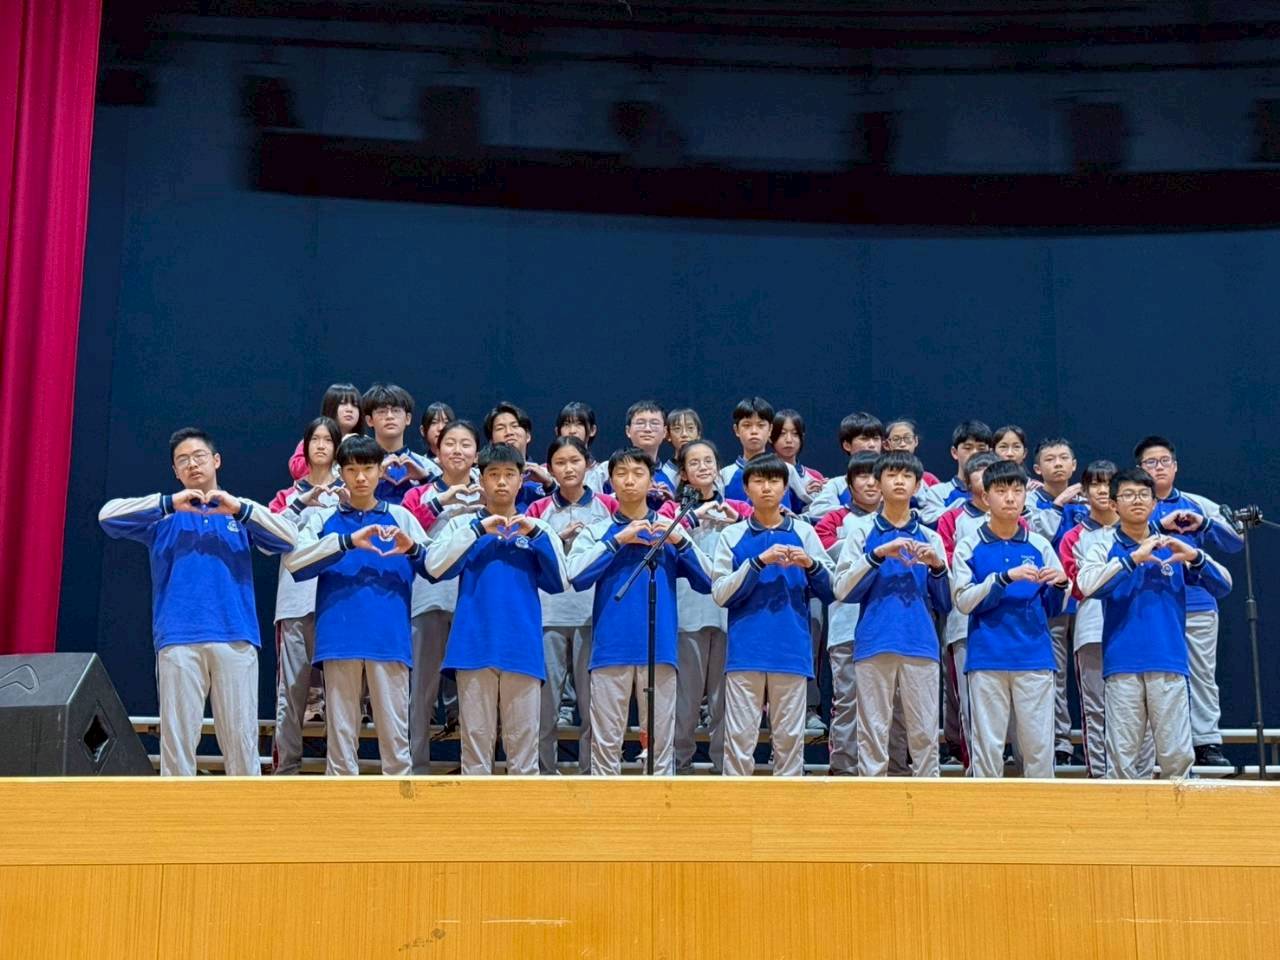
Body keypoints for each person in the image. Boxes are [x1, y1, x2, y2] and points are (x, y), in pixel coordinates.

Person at [99, 427, 296, 776]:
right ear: (175, 471)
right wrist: (168, 502)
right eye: (183, 460)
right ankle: (178, 813)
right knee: (177, 747)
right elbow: (107, 516)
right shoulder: (163, 516)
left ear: (216, 460)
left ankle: (247, 812)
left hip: (235, 637)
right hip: (178, 638)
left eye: (199, 456)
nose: (192, 464)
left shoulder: (239, 512)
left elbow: (288, 539)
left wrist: (240, 508)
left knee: (242, 743)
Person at [286, 435, 430, 776]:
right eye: (352, 470)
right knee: (340, 746)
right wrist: (347, 541)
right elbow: (296, 562)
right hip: (339, 639)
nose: (361, 477)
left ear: (380, 471)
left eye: (368, 468)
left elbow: (436, 564)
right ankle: (341, 809)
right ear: (341, 472)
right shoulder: (324, 518)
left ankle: (398, 807)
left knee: (396, 744)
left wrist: (413, 549)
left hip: (389, 639)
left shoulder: (402, 516)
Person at [1077, 467, 1232, 779]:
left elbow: (1224, 584)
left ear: (1154, 502)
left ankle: (1181, 812)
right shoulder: (1102, 544)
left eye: (1143, 494)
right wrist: (1133, 558)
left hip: (1169, 661)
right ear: (1114, 504)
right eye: (1128, 495)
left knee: (1177, 758)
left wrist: (1196, 557)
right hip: (1122, 665)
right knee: (1122, 761)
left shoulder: (1172, 546)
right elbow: (1088, 585)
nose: (1137, 500)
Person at [567, 447, 714, 776]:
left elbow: (709, 582)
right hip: (611, 649)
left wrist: (681, 542)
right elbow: (576, 576)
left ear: (651, 481)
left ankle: (660, 808)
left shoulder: (670, 529)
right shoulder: (599, 530)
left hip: (659, 650)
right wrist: (619, 540)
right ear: (610, 482)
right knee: (606, 744)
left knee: (660, 747)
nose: (629, 481)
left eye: (638, 473)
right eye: (621, 474)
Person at [426, 443, 570, 775]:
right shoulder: (464, 525)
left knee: (524, 756)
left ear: (521, 480)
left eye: (509, 474)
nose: (502, 482)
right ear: (481, 480)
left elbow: (561, 581)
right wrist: (478, 529)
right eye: (493, 474)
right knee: (475, 755)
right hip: (473, 647)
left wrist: (535, 533)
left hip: (522, 648)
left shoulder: (539, 528)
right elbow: (435, 567)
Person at [712, 453, 836, 777]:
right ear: (746, 488)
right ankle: (736, 804)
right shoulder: (732, 535)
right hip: (746, 651)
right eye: (759, 481)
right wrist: (757, 562)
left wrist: (810, 564)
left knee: (790, 743)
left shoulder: (804, 533)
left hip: (791, 649)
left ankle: (788, 806)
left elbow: (832, 589)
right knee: (739, 741)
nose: (766, 487)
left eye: (774, 481)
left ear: (784, 487)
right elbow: (721, 593)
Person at [834, 451, 951, 777]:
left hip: (920, 642)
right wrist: (877, 554)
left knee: (924, 732)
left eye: (907, 476)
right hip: (874, 640)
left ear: (918, 485)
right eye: (892, 475)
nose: (899, 481)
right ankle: (873, 798)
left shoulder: (931, 537)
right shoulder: (861, 531)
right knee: (872, 732)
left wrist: (937, 566)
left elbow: (947, 602)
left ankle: (928, 797)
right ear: (878, 482)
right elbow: (842, 589)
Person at [951, 460, 1070, 779]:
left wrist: (1061, 585)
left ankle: (1040, 810)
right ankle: (987, 809)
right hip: (987, 658)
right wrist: (1004, 578)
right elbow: (963, 601)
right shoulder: (969, 545)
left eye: (1017, 491)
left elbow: (1054, 606)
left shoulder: (1040, 544)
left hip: (1034, 656)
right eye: (1001, 491)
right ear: (985, 496)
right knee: (988, 747)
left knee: (1038, 747)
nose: (1010, 498)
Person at [1134, 435, 1243, 766]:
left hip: (1196, 602)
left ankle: (1206, 741)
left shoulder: (1197, 504)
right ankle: (1158, 747)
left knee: (1201, 675)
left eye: (1164, 461)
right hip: (1150, 604)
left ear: (1176, 466)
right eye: (1150, 463)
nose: (1158, 468)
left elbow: (1235, 541)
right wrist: (1156, 525)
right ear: (1139, 468)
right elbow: (1120, 540)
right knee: (1156, 676)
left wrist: (1205, 523)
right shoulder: (1134, 504)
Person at [525, 436, 618, 774]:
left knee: (593, 704)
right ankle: (543, 773)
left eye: (575, 461)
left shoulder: (608, 505)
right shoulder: (538, 509)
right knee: (545, 705)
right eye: (560, 463)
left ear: (588, 465)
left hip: (593, 614)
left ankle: (590, 773)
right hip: (549, 614)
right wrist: (556, 538)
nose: (568, 468)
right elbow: (526, 553)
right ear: (550, 468)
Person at [659, 438, 751, 774]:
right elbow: (661, 542)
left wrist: (737, 521)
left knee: (724, 700)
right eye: (694, 462)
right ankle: (678, 765)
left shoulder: (739, 509)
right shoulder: (671, 511)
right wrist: (693, 518)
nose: (703, 467)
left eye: (708, 461)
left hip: (730, 615)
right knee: (685, 698)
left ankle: (723, 767)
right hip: (688, 614)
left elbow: (758, 533)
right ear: (683, 473)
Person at [401, 419, 484, 773]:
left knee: (474, 691)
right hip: (428, 598)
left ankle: (473, 768)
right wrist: (439, 503)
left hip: (473, 602)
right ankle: (415, 766)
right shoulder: (418, 494)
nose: (457, 451)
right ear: (437, 450)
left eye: (466, 444)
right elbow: (404, 530)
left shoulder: (489, 492)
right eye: (450, 443)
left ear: (476, 453)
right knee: (421, 690)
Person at [268, 416, 342, 774]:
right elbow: (267, 539)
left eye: (328, 439)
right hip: (295, 603)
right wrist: (300, 503)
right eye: (316, 439)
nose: (322, 445)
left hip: (338, 604)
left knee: (341, 696)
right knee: (291, 693)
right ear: (305, 446)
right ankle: (286, 769)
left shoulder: (350, 493)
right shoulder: (287, 497)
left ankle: (339, 770)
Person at [935, 451, 1003, 768]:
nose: (987, 476)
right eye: (980, 471)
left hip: (1009, 624)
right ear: (968, 480)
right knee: (970, 702)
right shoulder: (952, 519)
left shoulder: (1020, 519)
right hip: (965, 620)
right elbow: (949, 567)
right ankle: (973, 767)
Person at [815, 451, 881, 775]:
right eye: (862, 476)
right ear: (850, 483)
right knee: (848, 701)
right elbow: (827, 562)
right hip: (845, 626)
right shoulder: (833, 520)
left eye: (876, 476)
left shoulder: (900, 522)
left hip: (885, 628)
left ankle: (884, 771)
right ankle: (843, 769)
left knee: (887, 706)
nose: (870, 483)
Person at [1026, 437, 1088, 765]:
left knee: (1093, 675)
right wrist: (1059, 503)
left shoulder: (1089, 500)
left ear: (1074, 465)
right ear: (1038, 468)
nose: (1058, 464)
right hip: (1050, 598)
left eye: (1064, 458)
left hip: (1088, 598)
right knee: (1055, 675)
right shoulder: (1029, 501)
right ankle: (1060, 742)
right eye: (1050, 459)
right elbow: (1035, 535)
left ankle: (1099, 745)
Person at [1058, 459, 1119, 778]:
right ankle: (1100, 776)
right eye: (1095, 484)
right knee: (1096, 709)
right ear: (1084, 491)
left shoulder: (1138, 530)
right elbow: (1077, 586)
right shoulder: (1074, 537)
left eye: (1109, 483)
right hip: (1092, 629)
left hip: (1131, 630)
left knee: (1135, 708)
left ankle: (1137, 776)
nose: (1103, 490)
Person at [719, 397, 799, 512]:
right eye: (747, 425)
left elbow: (807, 509)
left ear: (770, 429)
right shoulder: (724, 475)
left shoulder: (788, 470)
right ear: (736, 430)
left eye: (761, 425)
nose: (754, 431)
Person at [802, 412, 885, 520]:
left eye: (876, 438)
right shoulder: (836, 484)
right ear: (847, 445)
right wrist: (859, 510)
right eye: (864, 439)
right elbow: (817, 510)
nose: (872, 444)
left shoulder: (892, 481)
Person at [362, 383, 434, 504]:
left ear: (408, 419)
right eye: (382, 411)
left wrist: (425, 479)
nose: (389, 416)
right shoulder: (356, 464)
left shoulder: (427, 466)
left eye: (396, 410)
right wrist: (372, 475)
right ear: (369, 420)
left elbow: (445, 503)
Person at [918, 420, 993, 524]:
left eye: (981, 449)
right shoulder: (938, 493)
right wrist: (963, 505)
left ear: (990, 453)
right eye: (968, 448)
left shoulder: (1001, 492)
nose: (975, 453)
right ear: (954, 452)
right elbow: (930, 523)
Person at [484, 401, 554, 508]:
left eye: (515, 426)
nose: (509, 432)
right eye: (500, 428)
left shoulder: (547, 476)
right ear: (491, 441)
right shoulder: (484, 478)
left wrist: (550, 486)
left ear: (528, 436)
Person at [287, 382, 362, 481]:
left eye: (355, 405)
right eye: (343, 403)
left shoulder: (365, 442)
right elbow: (297, 470)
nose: (350, 409)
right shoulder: (313, 440)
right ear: (330, 407)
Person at [885, 418, 940, 486]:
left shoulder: (928, 479)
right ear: (886, 444)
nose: (902, 444)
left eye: (907, 438)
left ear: (916, 441)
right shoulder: (880, 477)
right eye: (896, 439)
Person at [662, 407, 703, 487]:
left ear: (698, 434)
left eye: (690, 428)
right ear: (668, 435)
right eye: (677, 429)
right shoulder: (664, 474)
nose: (684, 434)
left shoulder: (709, 470)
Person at [419, 401, 456, 468]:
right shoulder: (418, 466)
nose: (441, 428)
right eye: (434, 422)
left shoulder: (463, 462)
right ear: (423, 431)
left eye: (446, 422)